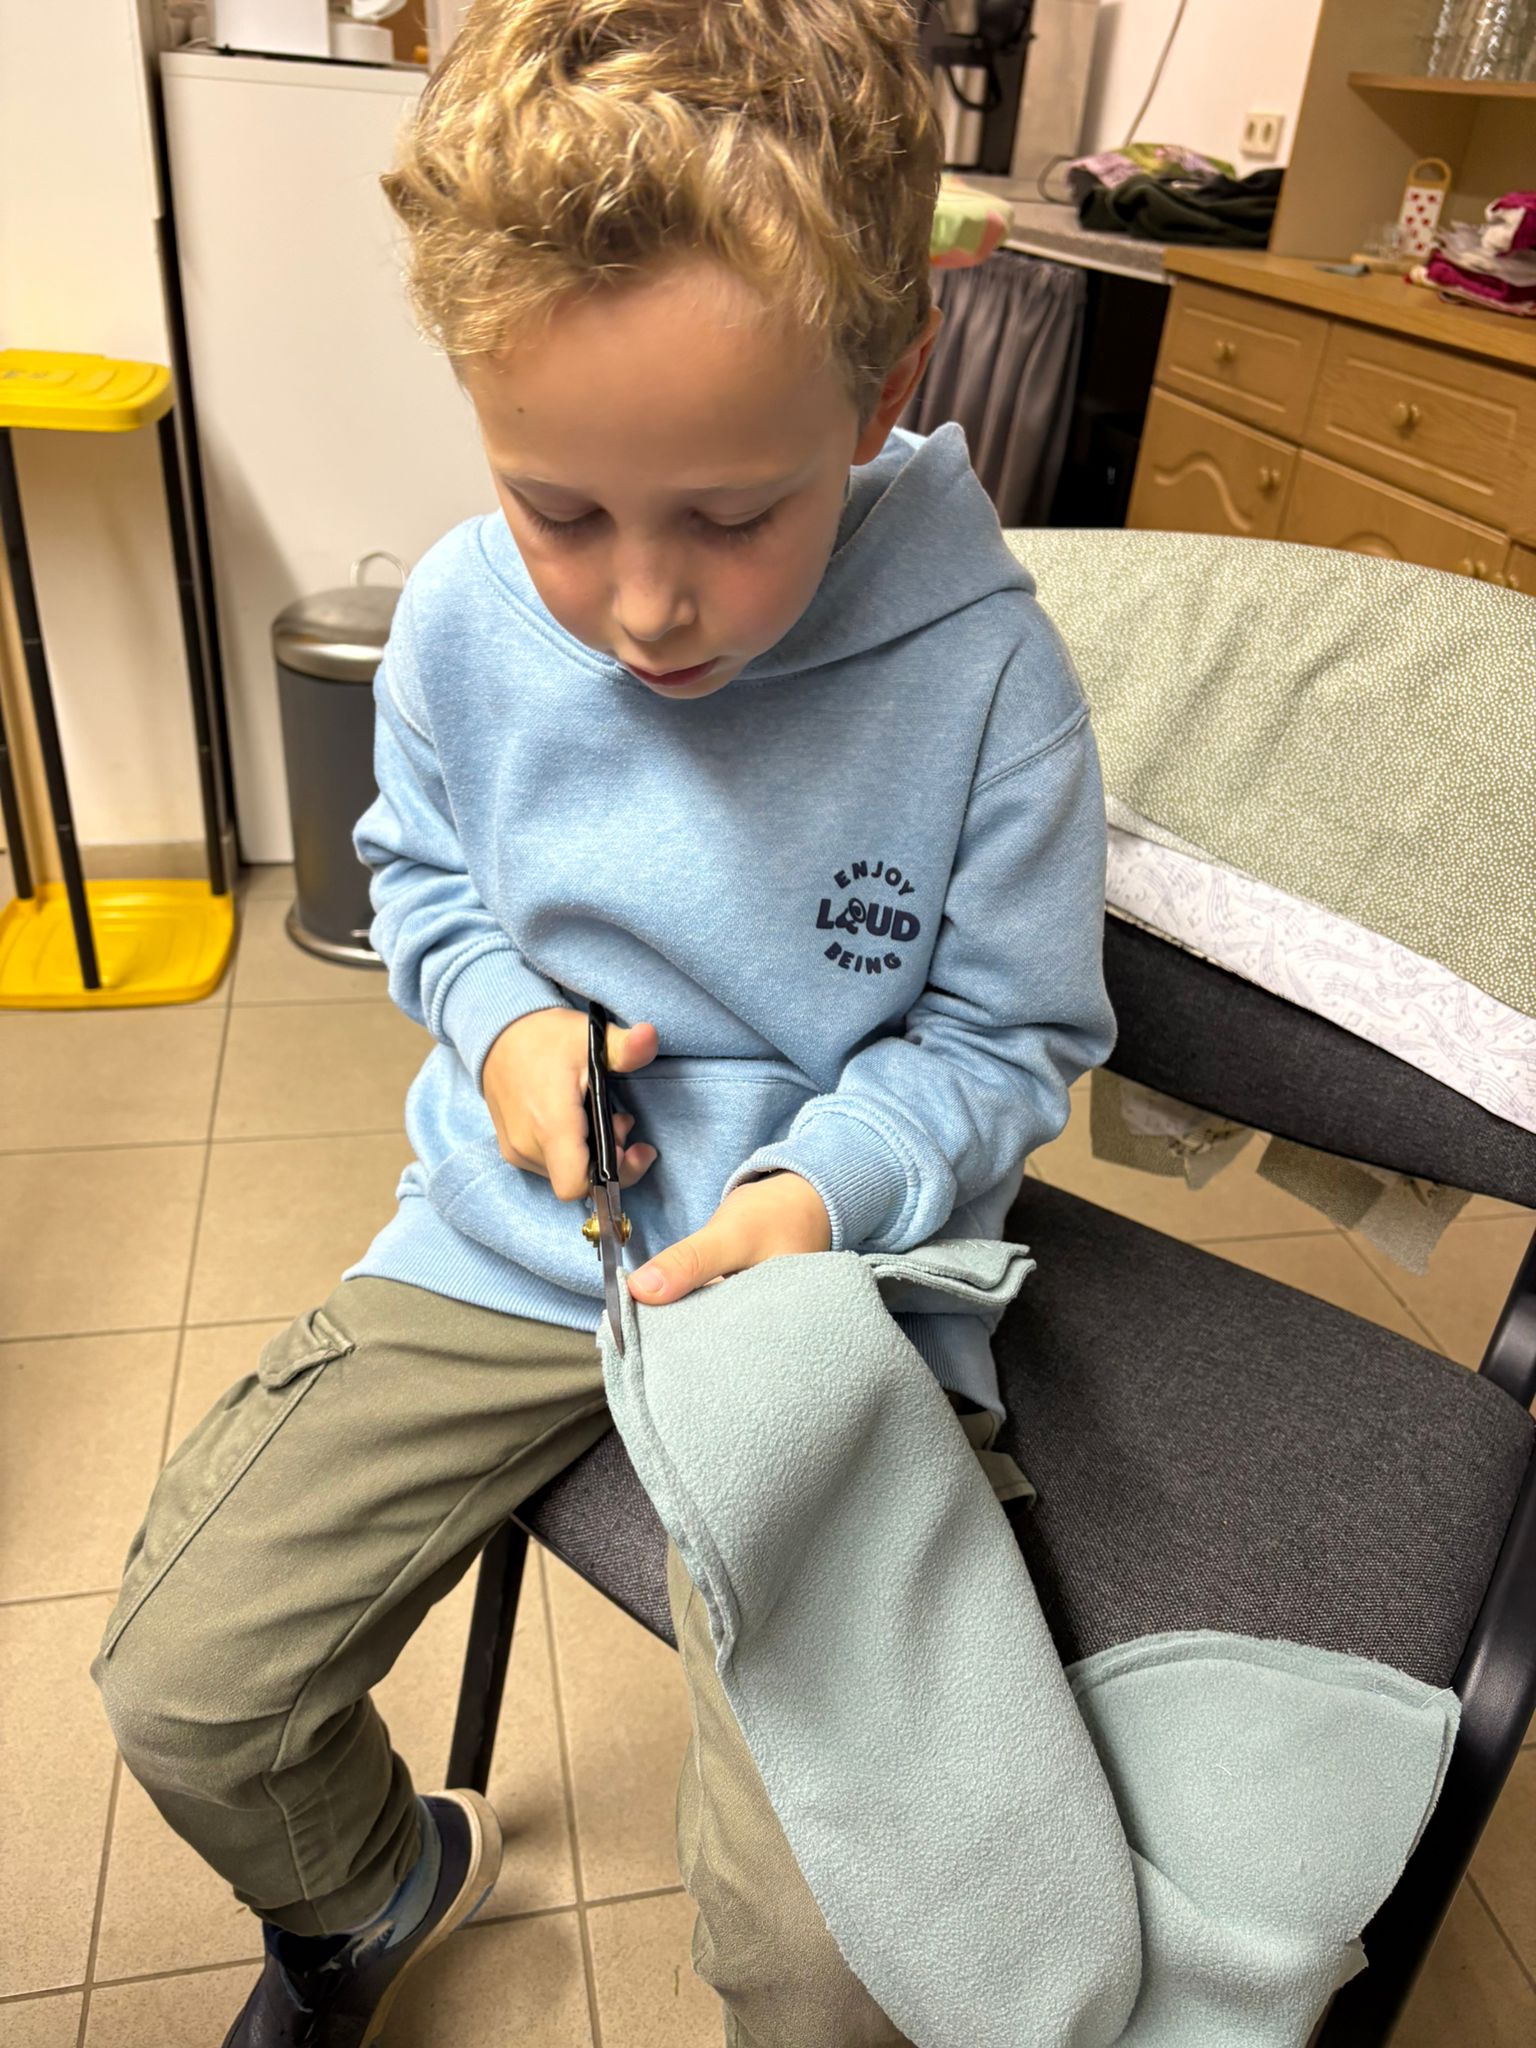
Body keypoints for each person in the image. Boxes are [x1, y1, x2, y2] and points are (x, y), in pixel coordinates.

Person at [91, 3, 1116, 2043]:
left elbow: (1008, 1041)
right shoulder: (460, 622)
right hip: (512, 1243)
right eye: (558, 508)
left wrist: (821, 1190)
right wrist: (497, 1026)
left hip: (820, 1287)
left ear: (883, 390)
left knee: (830, 1951)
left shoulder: (992, 684)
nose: (645, 606)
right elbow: (428, 880)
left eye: (731, 518)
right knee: (187, 1682)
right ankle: (377, 1893)